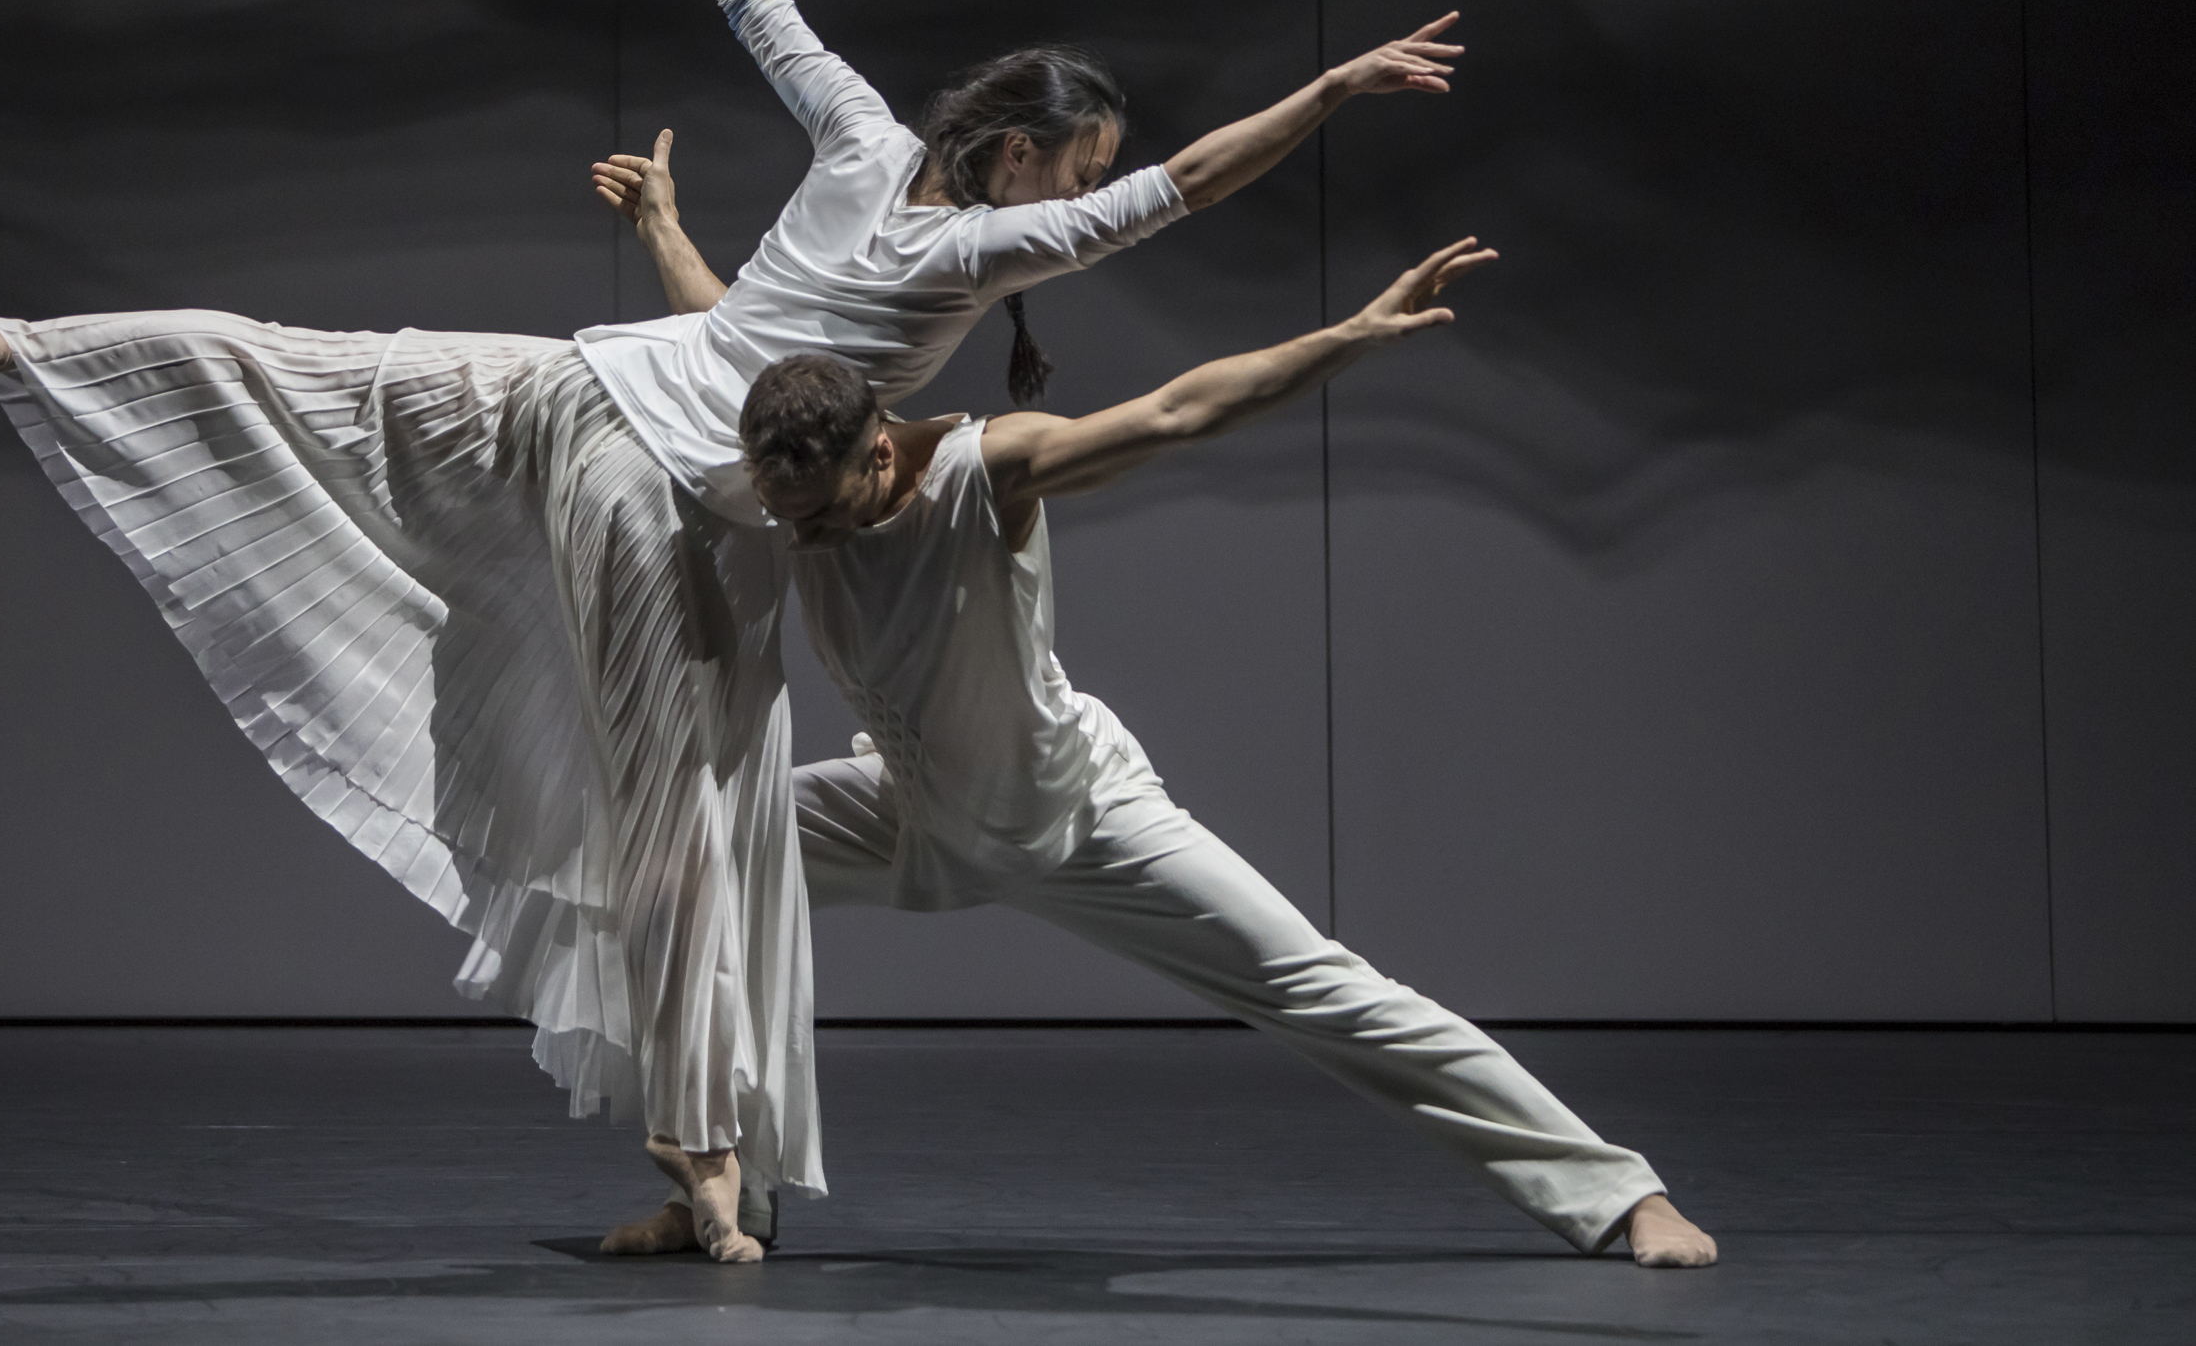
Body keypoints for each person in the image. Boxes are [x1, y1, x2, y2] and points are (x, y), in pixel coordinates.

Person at [0, 0, 1463, 1265]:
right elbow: (1177, 195)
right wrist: (1326, 95)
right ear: (1029, 158)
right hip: (672, 495)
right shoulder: (989, 240)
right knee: (683, 838)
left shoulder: (853, 137)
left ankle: (24, 348)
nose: (1087, 198)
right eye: (1080, 171)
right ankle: (707, 1165)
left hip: (568, 384)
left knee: (311, 368)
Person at [607, 146, 1716, 1264]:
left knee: (1320, 985)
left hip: (1075, 816)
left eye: (823, 515)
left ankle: (1620, 1196)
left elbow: (1180, 411)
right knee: (678, 870)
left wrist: (1347, 338)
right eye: (782, 513)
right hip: (910, 803)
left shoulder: (988, 471)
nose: (800, 538)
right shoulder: (801, 453)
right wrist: (661, 225)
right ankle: (722, 1185)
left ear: (880, 449)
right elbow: (724, 333)